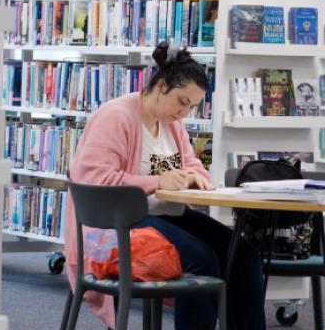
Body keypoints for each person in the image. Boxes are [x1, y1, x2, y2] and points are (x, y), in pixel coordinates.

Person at [65, 42, 265, 330]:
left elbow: (191, 163)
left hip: (164, 215)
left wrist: (196, 178)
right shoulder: (116, 116)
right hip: (118, 224)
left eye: (192, 107)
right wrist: (158, 181)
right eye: (182, 102)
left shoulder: (172, 123)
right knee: (201, 260)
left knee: (244, 256)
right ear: (161, 86)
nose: (185, 113)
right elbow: (95, 180)